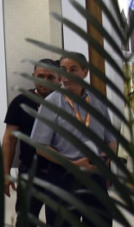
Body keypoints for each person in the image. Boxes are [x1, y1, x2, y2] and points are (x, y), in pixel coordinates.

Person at [30, 53, 117, 227]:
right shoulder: (51, 103)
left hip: (95, 176)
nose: (67, 75)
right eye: (63, 70)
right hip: (63, 176)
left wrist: (105, 161)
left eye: (73, 69)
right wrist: (73, 164)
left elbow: (110, 139)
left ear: (85, 72)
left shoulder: (98, 102)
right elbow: (40, 146)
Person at [2, 58, 59, 227]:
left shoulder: (66, 103)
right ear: (33, 76)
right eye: (41, 76)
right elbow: (9, 139)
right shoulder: (21, 102)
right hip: (31, 172)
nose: (45, 81)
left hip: (61, 174)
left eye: (51, 77)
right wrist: (5, 173)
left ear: (59, 78)